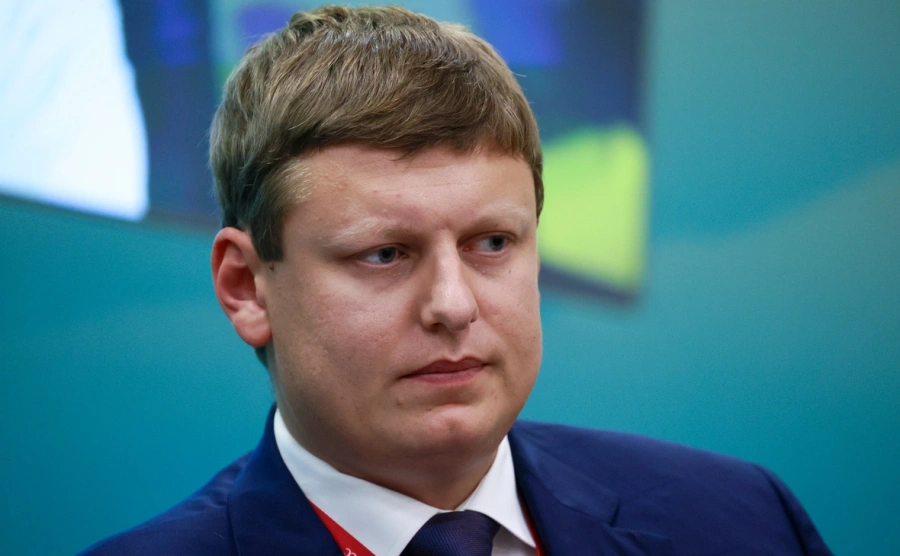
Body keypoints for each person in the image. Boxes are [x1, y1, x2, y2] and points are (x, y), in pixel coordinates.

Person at [80, 5, 833, 555]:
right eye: (385, 254)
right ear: (247, 287)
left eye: (492, 243)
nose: (453, 304)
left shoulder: (743, 520)